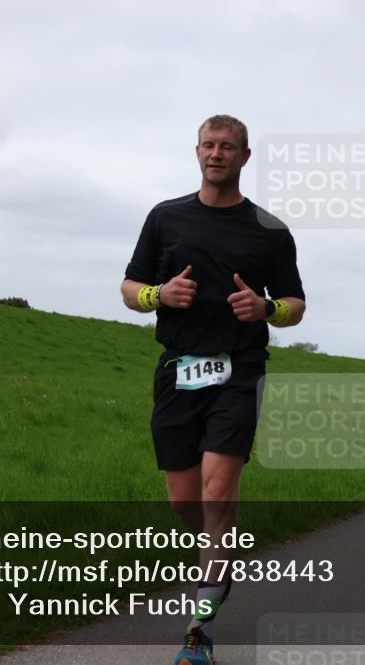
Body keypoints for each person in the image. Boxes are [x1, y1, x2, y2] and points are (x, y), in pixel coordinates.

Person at [121, 115, 307, 665]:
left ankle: (196, 635)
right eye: (209, 145)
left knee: (218, 490)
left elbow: (296, 304)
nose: (217, 153)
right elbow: (129, 288)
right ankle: (219, 549)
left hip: (240, 369)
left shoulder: (270, 231)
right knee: (187, 500)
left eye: (229, 147)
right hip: (178, 368)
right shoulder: (165, 217)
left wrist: (266, 308)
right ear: (196, 152)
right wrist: (159, 295)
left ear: (245, 157)